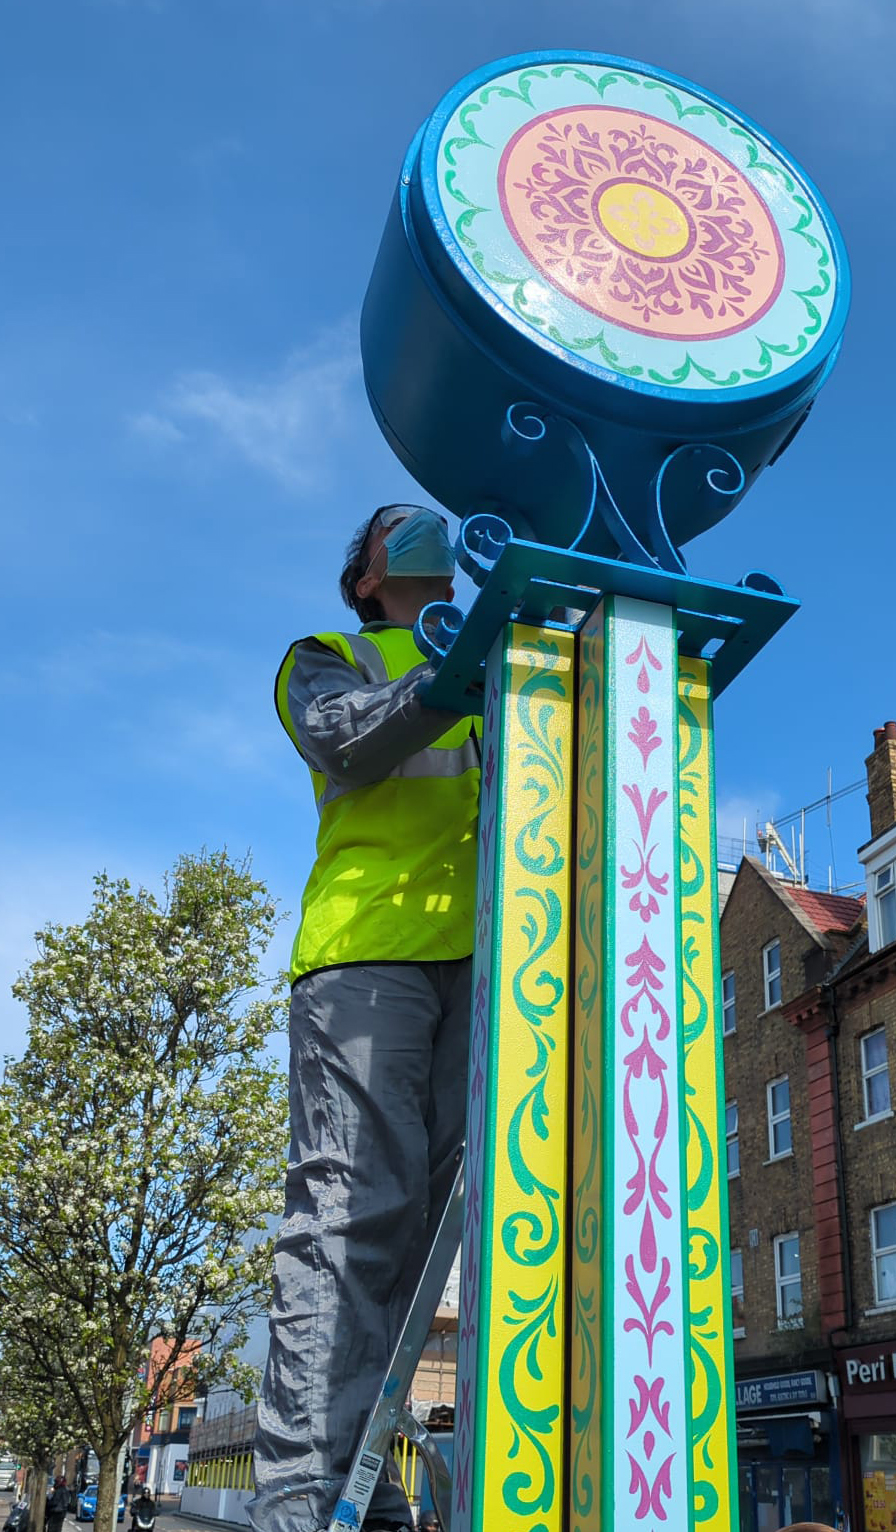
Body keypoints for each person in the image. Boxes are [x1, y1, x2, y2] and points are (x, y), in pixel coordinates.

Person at [249, 505, 480, 1532]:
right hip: (369, 958)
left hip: (486, 971)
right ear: (366, 579)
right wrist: (453, 670)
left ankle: (364, 1480)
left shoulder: (503, 672)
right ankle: (301, 1499)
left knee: (421, 1243)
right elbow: (348, 742)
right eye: (399, 527)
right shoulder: (328, 654)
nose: (424, 528)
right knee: (349, 1222)